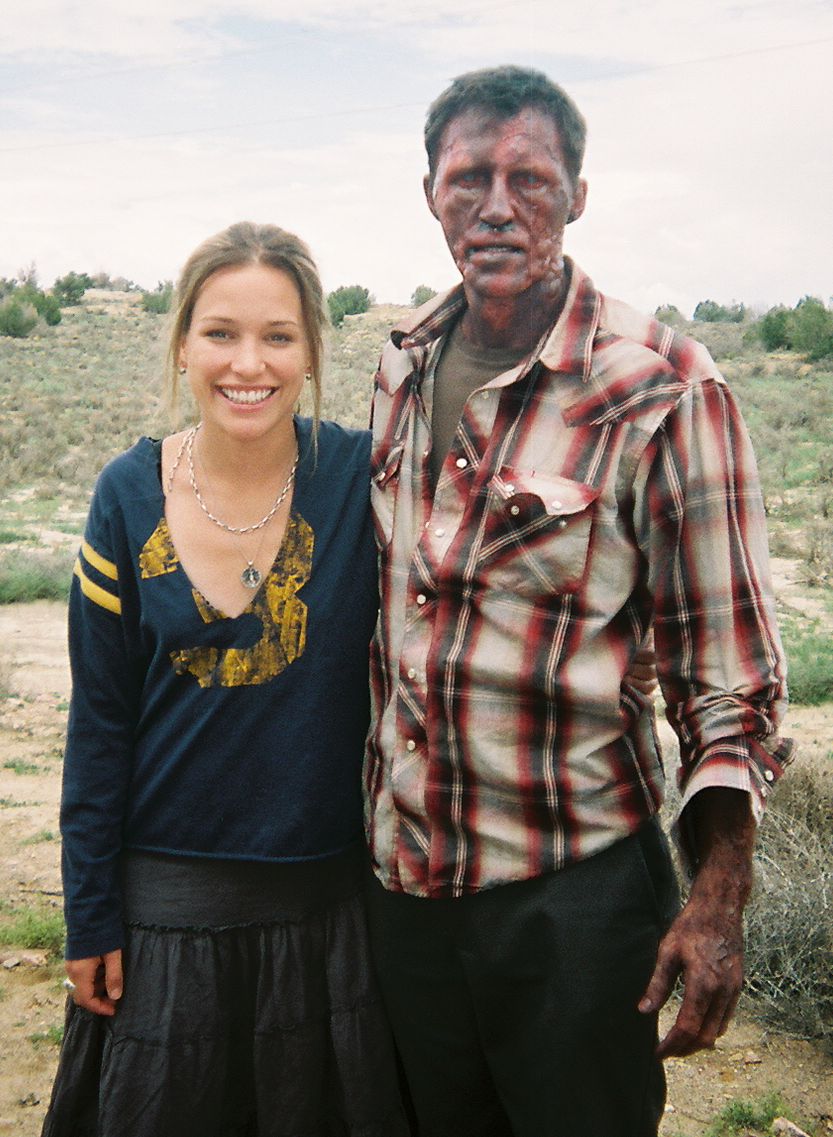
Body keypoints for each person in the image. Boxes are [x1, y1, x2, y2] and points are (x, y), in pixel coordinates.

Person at [362, 65, 794, 1137]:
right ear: (429, 193)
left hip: (572, 902)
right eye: (467, 179)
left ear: (577, 195)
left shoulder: (661, 386)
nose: (495, 206)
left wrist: (715, 902)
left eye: (528, 178)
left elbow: (723, 675)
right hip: (402, 899)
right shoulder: (401, 369)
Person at [41, 222, 410, 1137]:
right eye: (221, 333)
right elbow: (98, 730)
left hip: (326, 923)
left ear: (314, 349)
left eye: (279, 336)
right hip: (164, 930)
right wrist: (90, 918)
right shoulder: (126, 496)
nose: (250, 362)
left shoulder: (360, 483)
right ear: (181, 343)